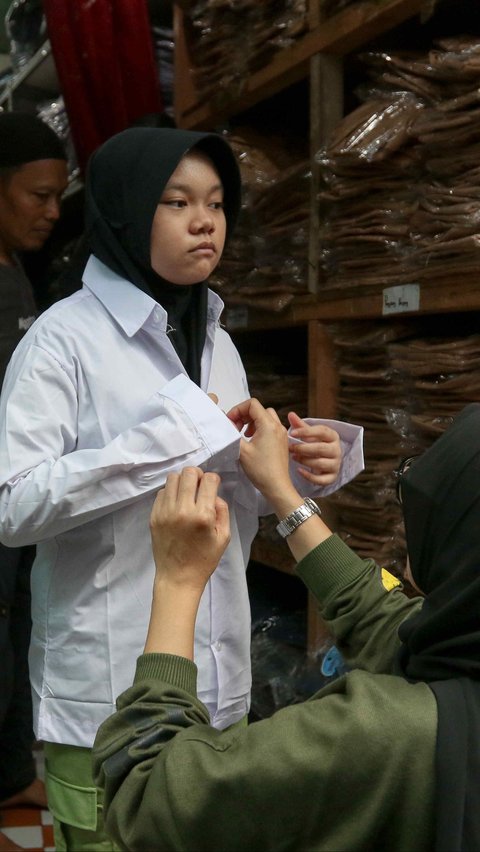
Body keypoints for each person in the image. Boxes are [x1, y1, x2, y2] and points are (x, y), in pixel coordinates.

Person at [0, 127, 364, 850]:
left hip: (217, 686)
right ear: (130, 212)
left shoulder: (215, 338)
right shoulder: (61, 340)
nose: (206, 221)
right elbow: (14, 505)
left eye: (218, 203)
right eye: (178, 201)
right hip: (109, 693)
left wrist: (289, 464)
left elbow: (224, 498)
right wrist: (161, 438)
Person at [92, 399, 480, 852]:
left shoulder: (382, 734)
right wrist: (283, 493)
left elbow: (146, 796)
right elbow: (377, 614)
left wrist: (178, 580)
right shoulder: (459, 648)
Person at [0, 111, 68, 852]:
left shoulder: (21, 276)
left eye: (59, 197)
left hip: (15, 493)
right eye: (37, 195)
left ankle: (11, 768)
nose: (52, 212)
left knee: (17, 624)